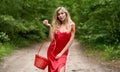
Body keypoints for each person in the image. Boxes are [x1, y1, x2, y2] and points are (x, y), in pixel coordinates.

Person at [43, 6, 75, 72]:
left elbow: (71, 40)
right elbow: (52, 40)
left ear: (66, 13)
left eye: (62, 13)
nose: (60, 15)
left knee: (61, 70)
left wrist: (61, 53)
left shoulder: (72, 25)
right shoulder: (56, 25)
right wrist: (50, 27)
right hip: (53, 52)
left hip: (63, 52)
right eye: (58, 14)